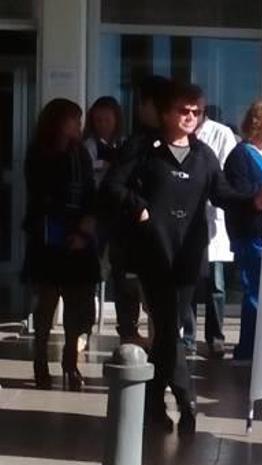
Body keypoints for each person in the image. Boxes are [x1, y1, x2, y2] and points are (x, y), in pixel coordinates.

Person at [102, 82, 262, 435]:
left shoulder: (204, 155)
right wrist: (139, 208)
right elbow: (113, 186)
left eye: (197, 111)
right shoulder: (144, 148)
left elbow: (223, 194)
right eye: (184, 110)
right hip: (153, 252)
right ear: (166, 113)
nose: (191, 117)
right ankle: (185, 397)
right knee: (167, 327)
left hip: (188, 256)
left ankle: (153, 404)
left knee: (168, 331)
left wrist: (255, 200)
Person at [21, 98, 99, 391]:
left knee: (77, 306)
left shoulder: (81, 154)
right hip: (48, 237)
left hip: (79, 236)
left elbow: (90, 192)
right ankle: (40, 362)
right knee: (46, 304)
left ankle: (70, 363)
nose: (77, 127)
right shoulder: (40, 153)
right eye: (73, 120)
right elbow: (41, 196)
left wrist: (85, 228)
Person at [101, 76, 170, 346]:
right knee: (135, 292)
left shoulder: (183, 145)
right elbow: (113, 185)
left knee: (158, 305)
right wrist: (139, 206)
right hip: (136, 238)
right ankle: (133, 341)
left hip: (162, 240)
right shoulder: (139, 143)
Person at [223, 100, 262, 361]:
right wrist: (258, 198)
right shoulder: (240, 156)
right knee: (254, 290)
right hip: (250, 233)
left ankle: (256, 346)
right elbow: (238, 195)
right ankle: (246, 349)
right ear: (257, 125)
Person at [181, 98, 239, 358]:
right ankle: (189, 336)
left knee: (215, 283)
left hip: (212, 214)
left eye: (197, 111)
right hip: (188, 218)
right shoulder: (180, 134)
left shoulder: (221, 133)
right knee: (190, 280)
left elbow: (225, 171)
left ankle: (215, 336)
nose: (192, 116)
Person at [83, 96, 124, 186]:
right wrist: (101, 164)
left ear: (116, 120)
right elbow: (84, 166)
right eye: (98, 120)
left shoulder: (123, 142)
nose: (103, 124)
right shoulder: (90, 144)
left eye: (107, 120)